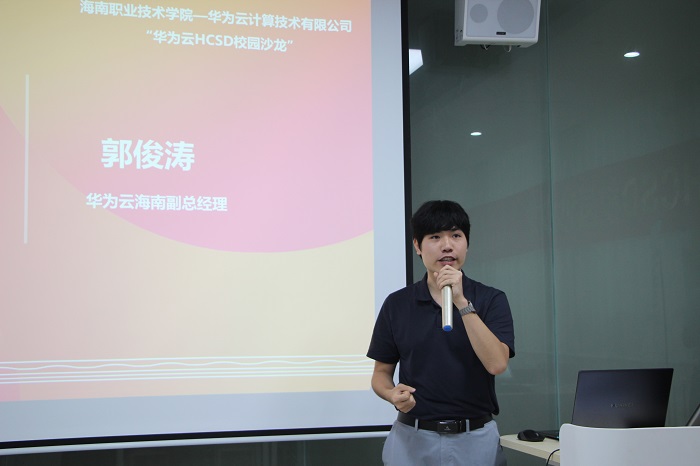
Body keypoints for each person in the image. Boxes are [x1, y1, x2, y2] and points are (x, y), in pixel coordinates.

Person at [367, 200, 515, 466]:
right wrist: (391, 394)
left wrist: (461, 302)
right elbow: (380, 374)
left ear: (466, 243)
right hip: (412, 438)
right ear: (417, 246)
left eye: (456, 235)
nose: (447, 246)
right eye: (435, 237)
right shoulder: (397, 304)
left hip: (475, 438)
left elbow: (497, 364)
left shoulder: (491, 299)